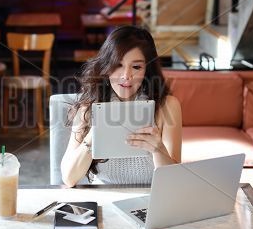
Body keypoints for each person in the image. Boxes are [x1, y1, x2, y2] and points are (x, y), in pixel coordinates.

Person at [61, 26, 182, 187]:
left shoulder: (167, 106)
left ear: (147, 70)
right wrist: (93, 135)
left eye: (136, 67)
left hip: (152, 200)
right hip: (104, 200)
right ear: (106, 67)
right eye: (118, 65)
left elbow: (174, 183)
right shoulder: (88, 107)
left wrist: (158, 149)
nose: (126, 76)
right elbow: (69, 178)